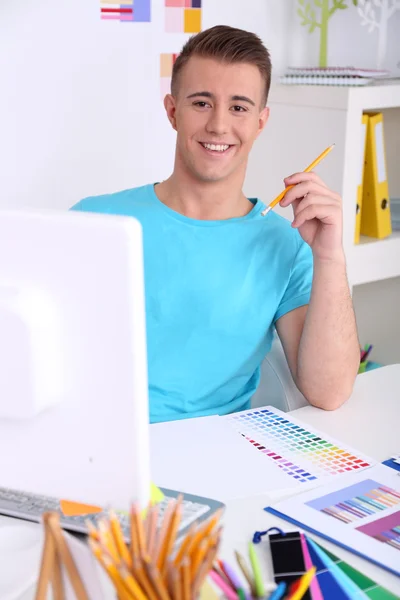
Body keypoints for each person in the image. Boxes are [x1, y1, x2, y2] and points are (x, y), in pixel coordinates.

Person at [71, 25, 360, 423]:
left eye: (239, 107)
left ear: (261, 122)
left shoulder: (287, 245)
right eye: (202, 103)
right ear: (173, 111)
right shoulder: (93, 220)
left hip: (218, 460)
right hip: (98, 449)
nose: (219, 126)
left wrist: (330, 256)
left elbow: (328, 392)